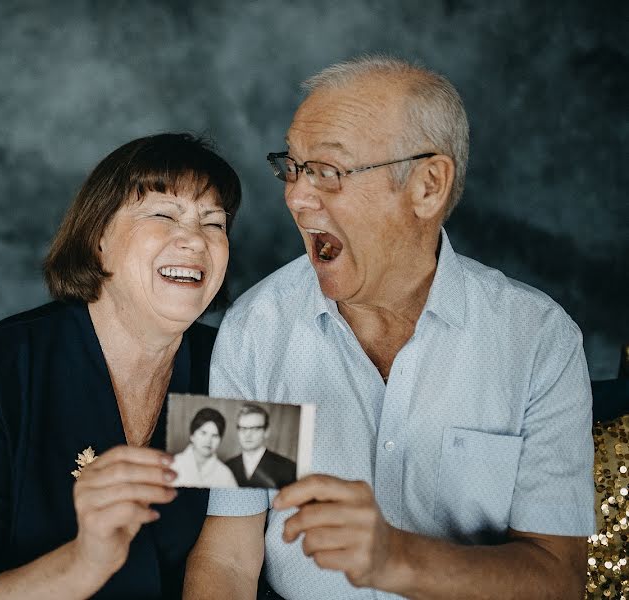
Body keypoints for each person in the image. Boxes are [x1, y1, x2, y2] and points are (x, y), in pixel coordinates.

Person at [184, 56, 593, 599]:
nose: (296, 197)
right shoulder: (253, 328)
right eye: (293, 167)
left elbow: (559, 580)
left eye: (328, 171)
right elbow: (229, 555)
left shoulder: (541, 339)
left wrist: (396, 557)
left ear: (428, 185)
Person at [0, 132, 241, 600]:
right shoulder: (2, 367)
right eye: (163, 214)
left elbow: (233, 558)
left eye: (214, 223)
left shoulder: (233, 365)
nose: (195, 240)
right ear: (98, 237)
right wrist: (86, 562)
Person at [225, 404, 296, 489]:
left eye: (255, 429)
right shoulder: (227, 467)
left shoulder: (288, 468)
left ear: (266, 432)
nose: (247, 435)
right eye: (243, 428)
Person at [171, 407, 238, 488]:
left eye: (215, 436)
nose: (208, 441)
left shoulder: (225, 474)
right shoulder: (173, 464)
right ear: (192, 435)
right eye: (203, 433)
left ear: (220, 440)